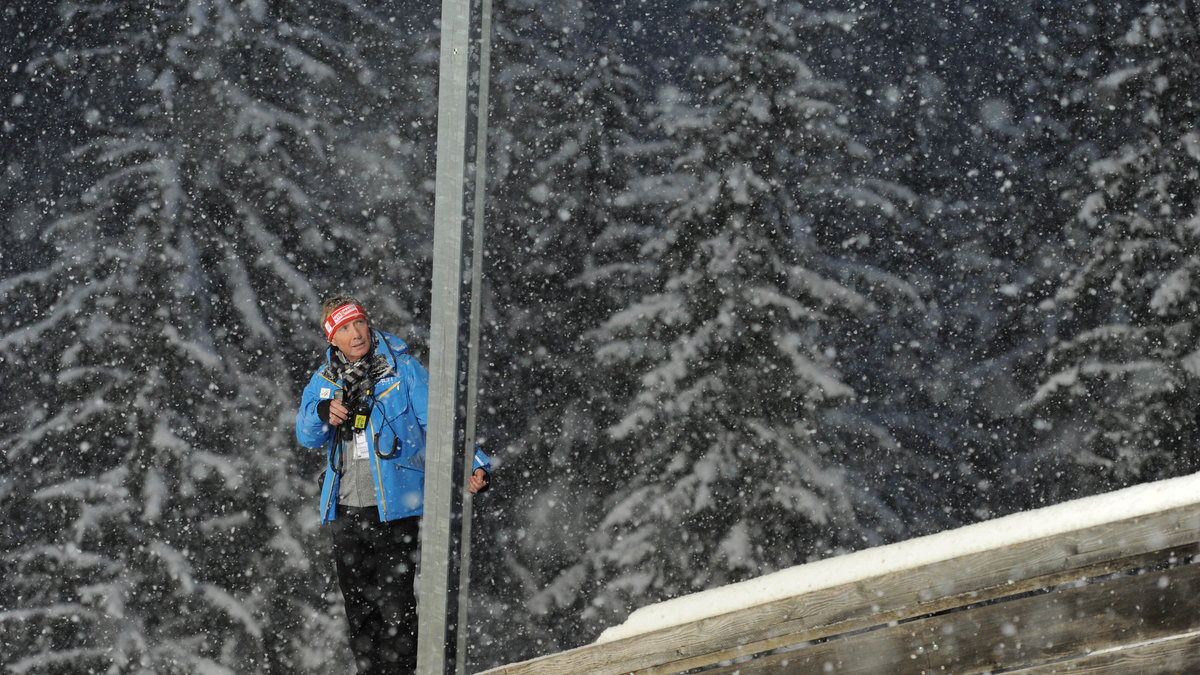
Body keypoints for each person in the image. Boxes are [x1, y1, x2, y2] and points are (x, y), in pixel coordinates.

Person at [296, 295, 490, 674]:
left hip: (395, 508)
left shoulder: (401, 369)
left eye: (360, 324)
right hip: (346, 510)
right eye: (345, 329)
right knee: (361, 617)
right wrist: (321, 412)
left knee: (397, 611)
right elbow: (306, 435)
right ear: (332, 338)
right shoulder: (323, 382)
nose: (357, 334)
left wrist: (474, 462)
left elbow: (439, 420)